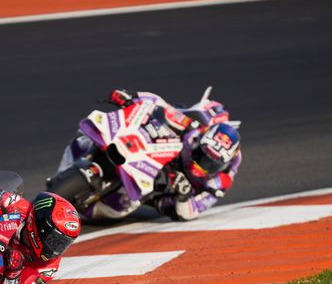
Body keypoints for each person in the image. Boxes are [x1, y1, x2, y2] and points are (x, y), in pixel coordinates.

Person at [58, 88, 242, 221]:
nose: (200, 164)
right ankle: (86, 150)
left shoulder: (222, 180)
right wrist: (133, 96)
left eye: (210, 163)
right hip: (163, 151)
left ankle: (108, 201)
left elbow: (192, 211)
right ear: (201, 140)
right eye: (201, 155)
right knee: (98, 133)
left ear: (224, 163)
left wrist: (184, 194)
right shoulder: (196, 128)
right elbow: (160, 105)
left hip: (170, 188)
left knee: (145, 203)